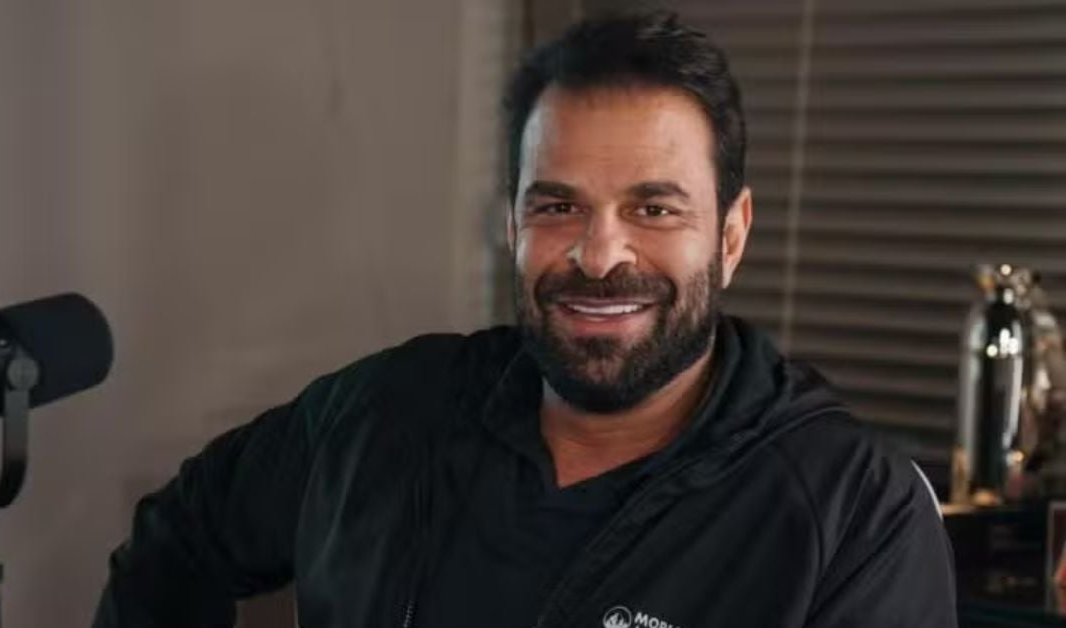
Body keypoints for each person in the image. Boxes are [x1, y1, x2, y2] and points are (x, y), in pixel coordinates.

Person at [93, 10, 956, 628]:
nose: (599, 255)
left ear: (730, 236)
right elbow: (179, 542)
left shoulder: (851, 510)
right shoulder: (385, 413)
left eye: (654, 209)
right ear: (511, 223)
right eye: (557, 206)